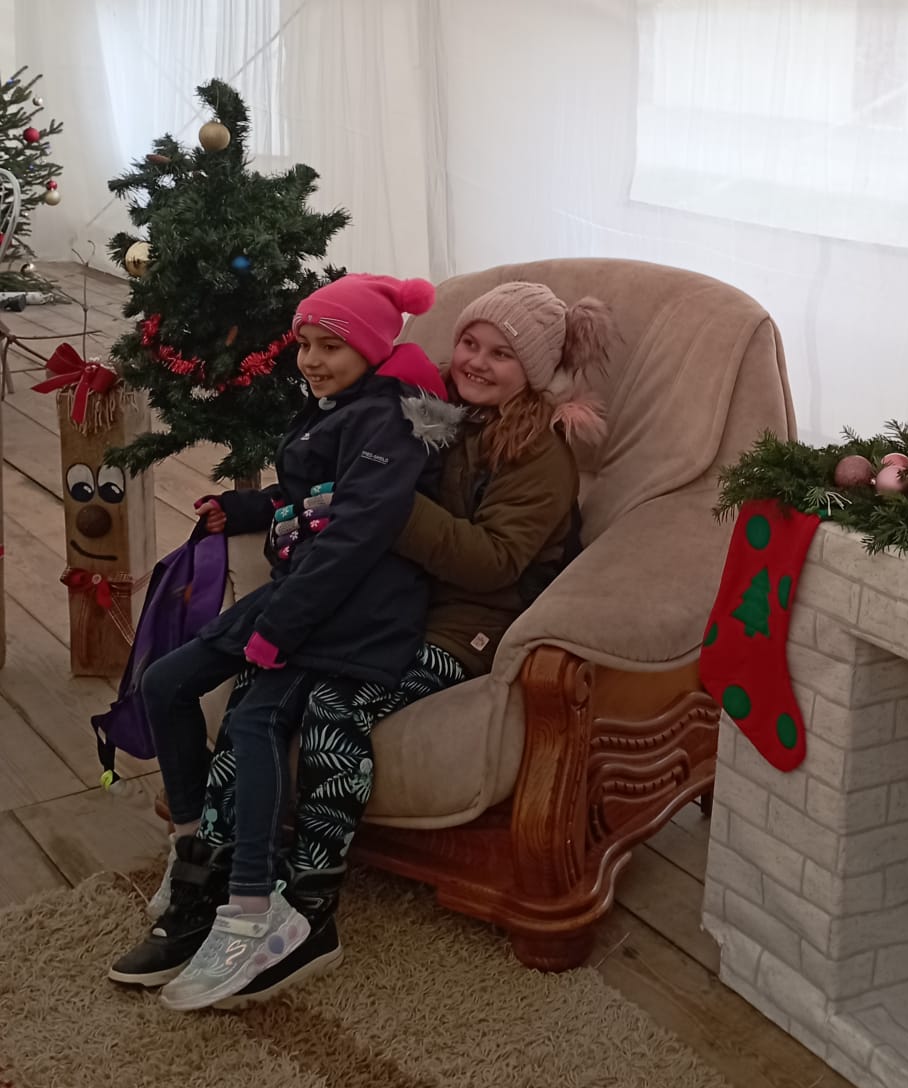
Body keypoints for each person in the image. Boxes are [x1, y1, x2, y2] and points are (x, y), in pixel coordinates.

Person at [112, 280, 613, 1009]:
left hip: (467, 625)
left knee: (332, 704)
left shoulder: (539, 454)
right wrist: (262, 507)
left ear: (533, 371)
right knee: (254, 693)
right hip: (386, 598)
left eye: (501, 354)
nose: (476, 361)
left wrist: (381, 503)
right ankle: (214, 879)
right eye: (469, 342)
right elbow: (331, 481)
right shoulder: (430, 410)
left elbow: (494, 563)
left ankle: (308, 910)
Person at [108, 272, 448, 1009]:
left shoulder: (389, 421)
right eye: (305, 344)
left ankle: (250, 907)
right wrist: (247, 508)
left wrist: (276, 630)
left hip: (349, 611)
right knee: (166, 682)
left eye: (332, 346)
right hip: (300, 595)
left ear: (372, 348)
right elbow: (311, 498)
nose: (313, 360)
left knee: (257, 717)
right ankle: (194, 853)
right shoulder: (337, 403)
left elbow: (355, 536)